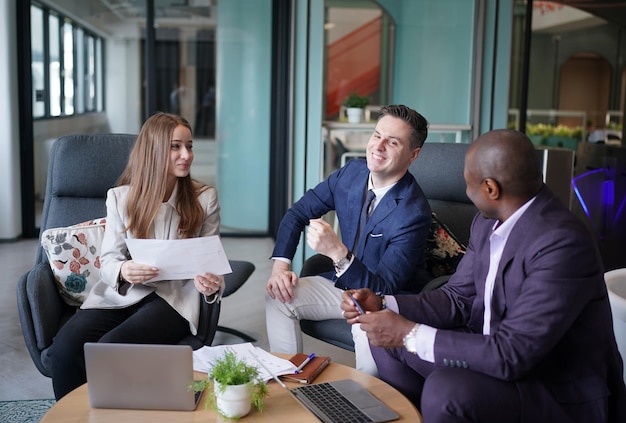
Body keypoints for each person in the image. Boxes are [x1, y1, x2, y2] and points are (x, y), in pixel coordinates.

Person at [341, 129, 626, 422]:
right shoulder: (487, 223)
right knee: (388, 344)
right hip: (493, 354)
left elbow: (514, 353)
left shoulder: (562, 243)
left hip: (552, 386)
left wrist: (409, 333)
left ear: (491, 188)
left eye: (468, 184)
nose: (466, 192)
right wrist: (385, 305)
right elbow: (457, 298)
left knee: (445, 389)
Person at [49, 112, 224, 400]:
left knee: (110, 347)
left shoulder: (205, 198)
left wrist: (210, 286)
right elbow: (109, 260)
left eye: (189, 146)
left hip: (172, 299)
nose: (186, 155)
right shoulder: (120, 198)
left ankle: (113, 415)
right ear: (154, 151)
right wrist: (124, 270)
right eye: (175, 146)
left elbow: (212, 265)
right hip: (123, 292)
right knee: (65, 347)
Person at [266, 104, 432, 375]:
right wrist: (280, 268)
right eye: (377, 135)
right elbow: (298, 212)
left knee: (367, 342)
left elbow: (383, 288)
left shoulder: (413, 212)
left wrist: (337, 253)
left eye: (392, 142)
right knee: (278, 295)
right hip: (344, 285)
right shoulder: (351, 173)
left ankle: (364, 408)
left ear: (413, 154)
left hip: (383, 302)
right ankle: (289, 380)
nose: (378, 147)